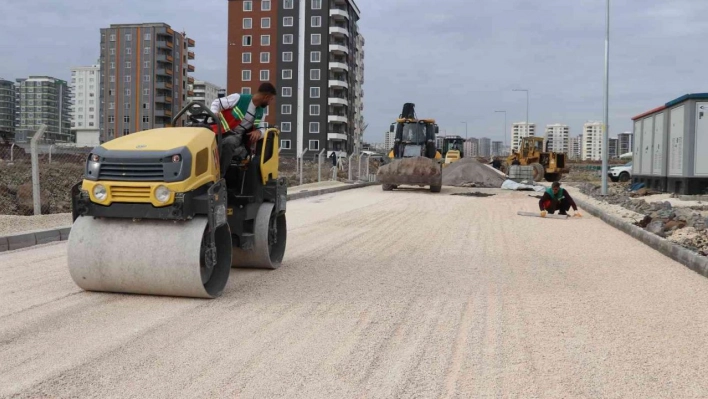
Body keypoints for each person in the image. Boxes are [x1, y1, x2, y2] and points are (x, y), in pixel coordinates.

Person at [209, 82, 277, 177]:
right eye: (271, 99)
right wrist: (214, 112)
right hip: (220, 130)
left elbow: (262, 129)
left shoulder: (260, 113)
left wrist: (259, 132)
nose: (270, 103)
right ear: (266, 97)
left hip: (236, 136)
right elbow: (217, 103)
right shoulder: (238, 98)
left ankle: (219, 176)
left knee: (229, 143)